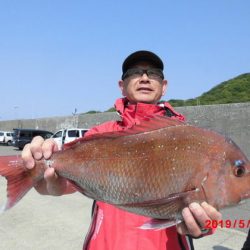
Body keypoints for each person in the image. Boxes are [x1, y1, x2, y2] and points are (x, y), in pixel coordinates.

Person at [22, 50, 222, 250]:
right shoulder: (99, 135)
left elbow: (209, 207)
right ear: (121, 86)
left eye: (153, 73)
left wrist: (204, 225)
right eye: (134, 72)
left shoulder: (188, 139)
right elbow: (57, 185)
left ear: (164, 86)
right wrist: (40, 173)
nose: (145, 77)